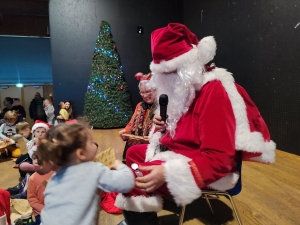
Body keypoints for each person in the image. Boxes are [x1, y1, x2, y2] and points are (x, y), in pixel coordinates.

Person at [114, 23, 276, 225]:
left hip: (204, 165)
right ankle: (151, 202)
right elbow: (189, 130)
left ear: (185, 68)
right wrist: (164, 126)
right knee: (133, 154)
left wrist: (166, 172)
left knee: (134, 177)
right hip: (186, 151)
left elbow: (220, 160)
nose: (162, 81)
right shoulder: (186, 90)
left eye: (168, 73)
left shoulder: (213, 93)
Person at [34, 121, 135, 225]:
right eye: (91, 142)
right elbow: (126, 183)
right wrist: (120, 166)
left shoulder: (54, 178)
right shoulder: (94, 169)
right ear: (81, 153)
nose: (95, 144)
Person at [118, 72, 156, 160]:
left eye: (148, 91)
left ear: (156, 90)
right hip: (138, 144)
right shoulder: (140, 106)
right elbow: (131, 123)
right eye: (142, 92)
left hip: (154, 148)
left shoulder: (162, 107)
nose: (145, 95)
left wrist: (153, 138)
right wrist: (125, 131)